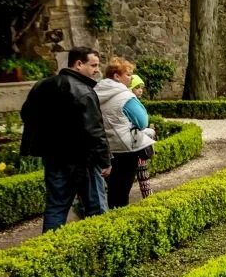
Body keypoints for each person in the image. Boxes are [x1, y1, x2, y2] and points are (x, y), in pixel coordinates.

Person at [20, 46, 112, 231]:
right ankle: (101, 250)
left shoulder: (42, 85)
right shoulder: (84, 92)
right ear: (78, 64)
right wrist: (105, 160)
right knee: (96, 208)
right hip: (83, 159)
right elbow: (94, 131)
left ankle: (50, 251)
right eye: (93, 65)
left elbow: (26, 114)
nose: (97, 70)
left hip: (54, 157)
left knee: (56, 206)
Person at [95, 57, 156, 209]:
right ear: (117, 76)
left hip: (107, 147)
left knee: (113, 190)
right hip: (126, 148)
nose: (131, 78)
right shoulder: (125, 96)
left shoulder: (95, 93)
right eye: (128, 74)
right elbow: (142, 122)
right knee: (122, 192)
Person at [129, 74, 154, 199]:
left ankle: (148, 196)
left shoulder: (136, 103)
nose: (140, 90)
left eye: (141, 88)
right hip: (135, 144)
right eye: (137, 87)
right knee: (141, 173)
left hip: (138, 143)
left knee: (143, 175)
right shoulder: (130, 104)